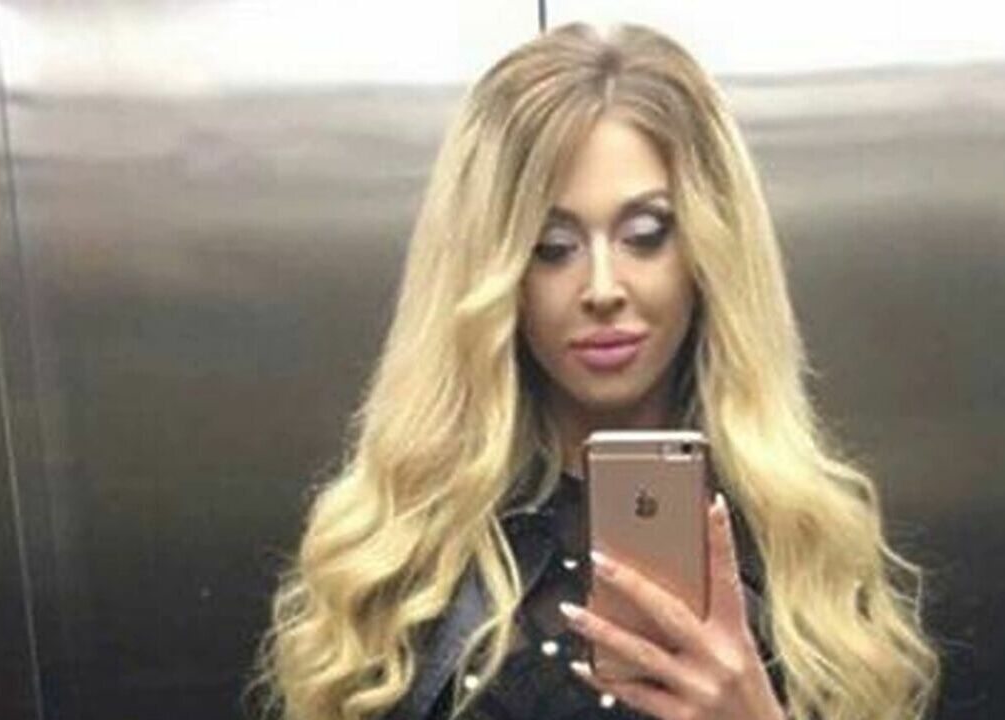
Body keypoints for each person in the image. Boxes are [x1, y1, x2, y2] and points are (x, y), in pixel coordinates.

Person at [255, 20, 941, 720]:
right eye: (553, 247)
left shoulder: (803, 553)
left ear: (709, 249)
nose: (603, 288)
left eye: (646, 235)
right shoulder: (406, 557)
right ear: (495, 271)